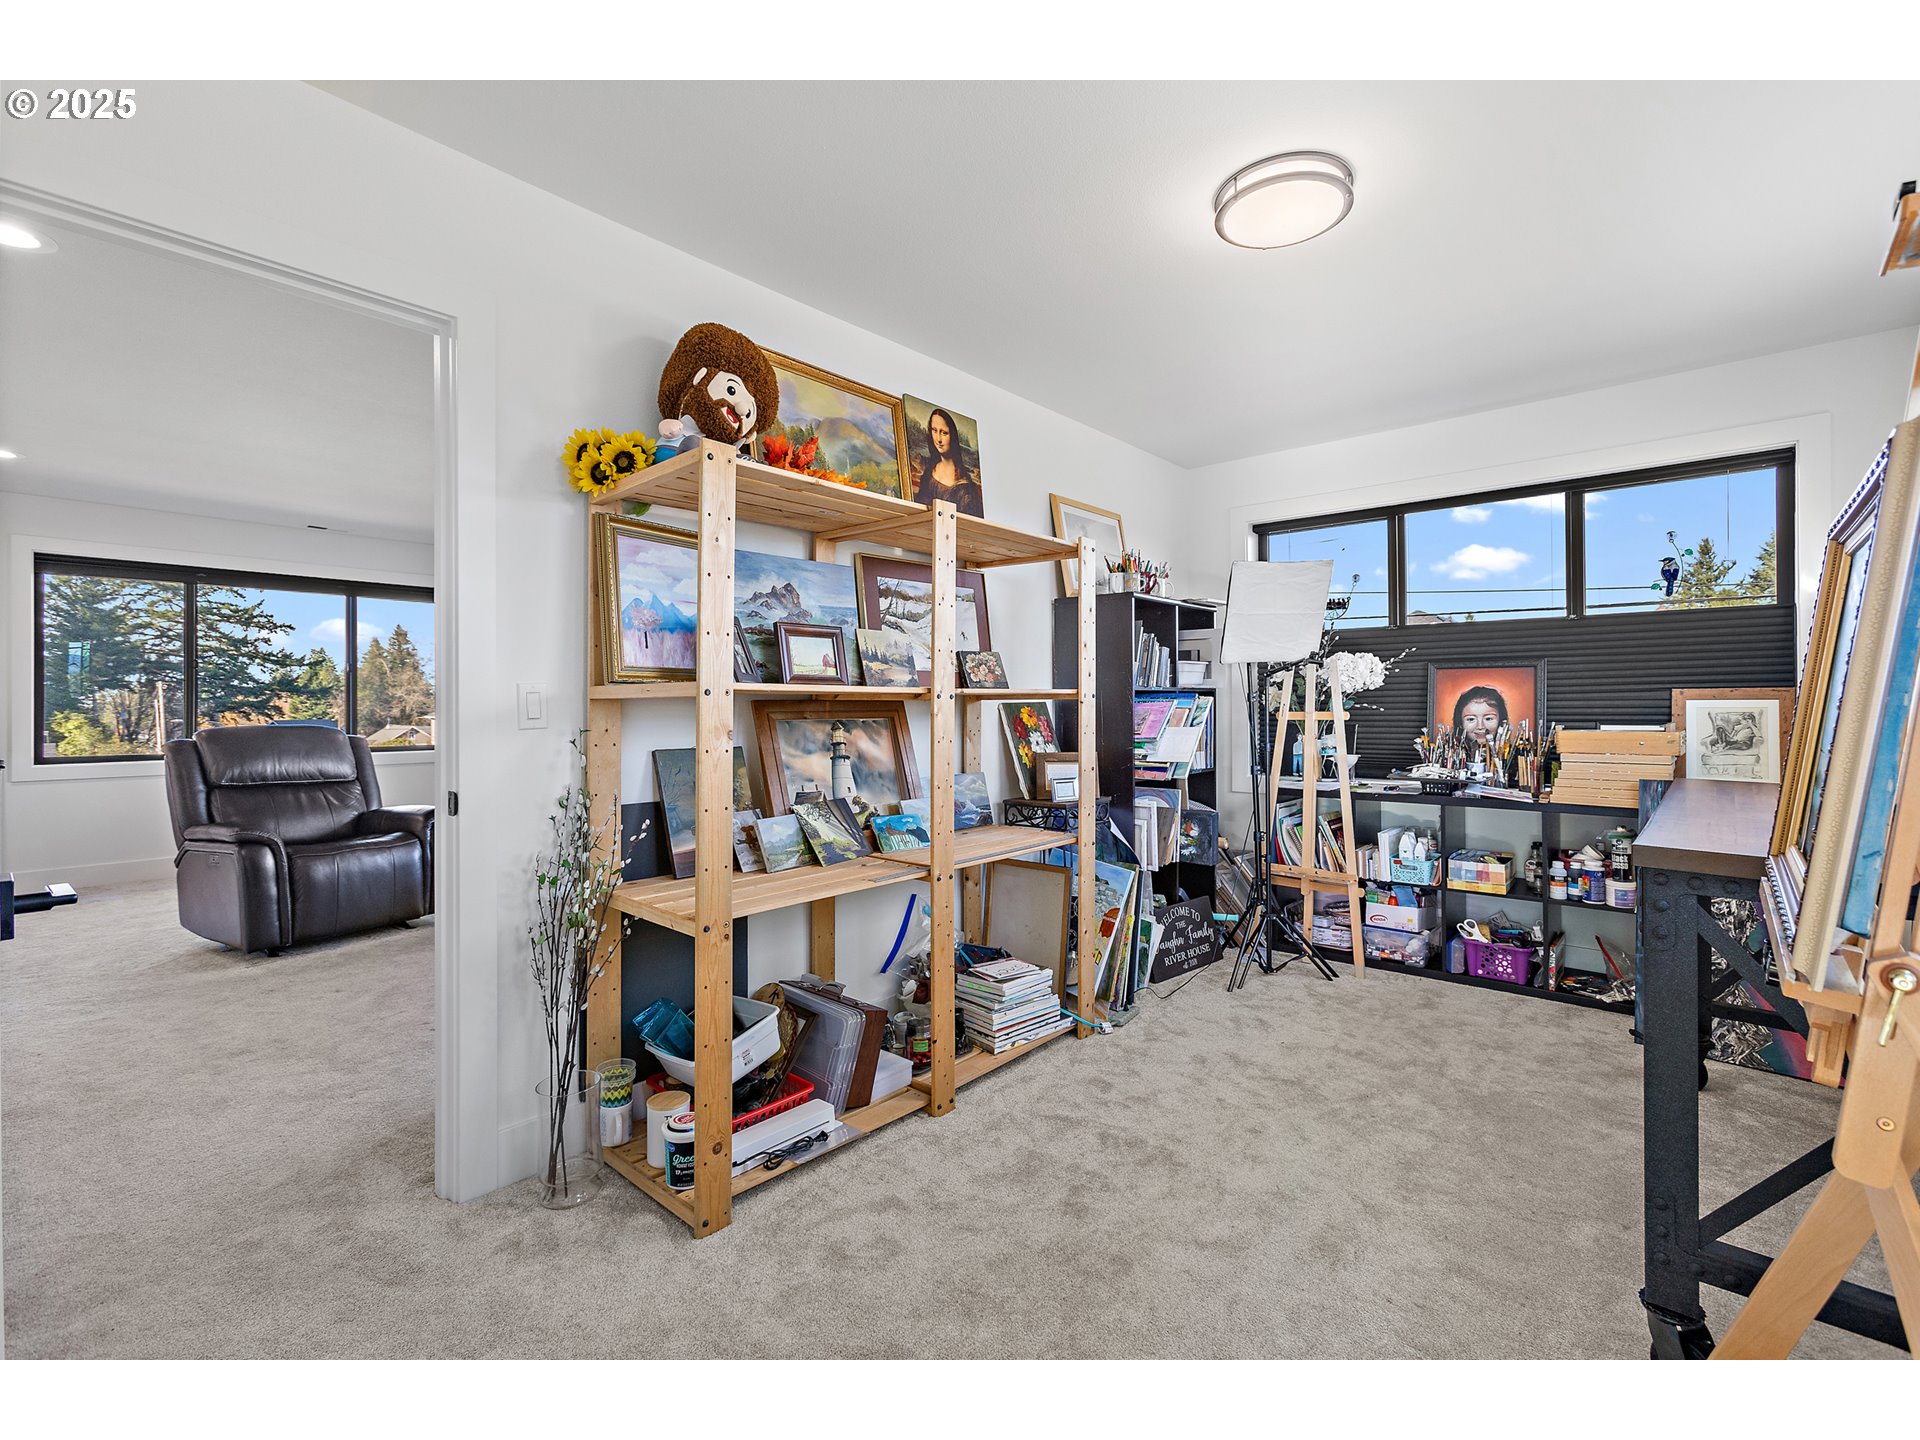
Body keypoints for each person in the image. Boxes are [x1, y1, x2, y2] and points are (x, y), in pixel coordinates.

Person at [911, 407, 984, 516]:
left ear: (952, 436)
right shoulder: (929, 471)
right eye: (934, 430)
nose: (938, 439)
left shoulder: (966, 491)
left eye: (944, 433)